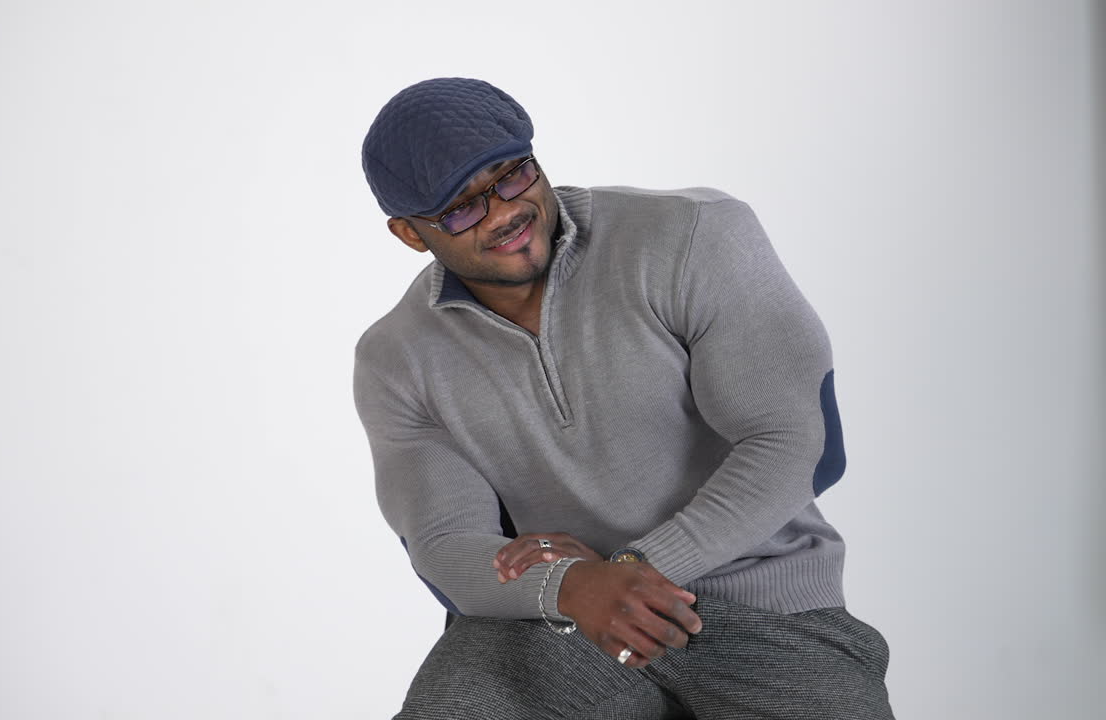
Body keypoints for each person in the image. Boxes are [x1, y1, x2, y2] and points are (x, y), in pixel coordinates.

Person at [352, 77, 895, 720]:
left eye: (510, 176)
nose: (502, 212)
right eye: (462, 209)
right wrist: (575, 589)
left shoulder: (691, 237)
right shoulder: (396, 359)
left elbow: (803, 443)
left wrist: (628, 571)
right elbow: (445, 547)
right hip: (555, 626)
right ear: (410, 234)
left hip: (759, 603)